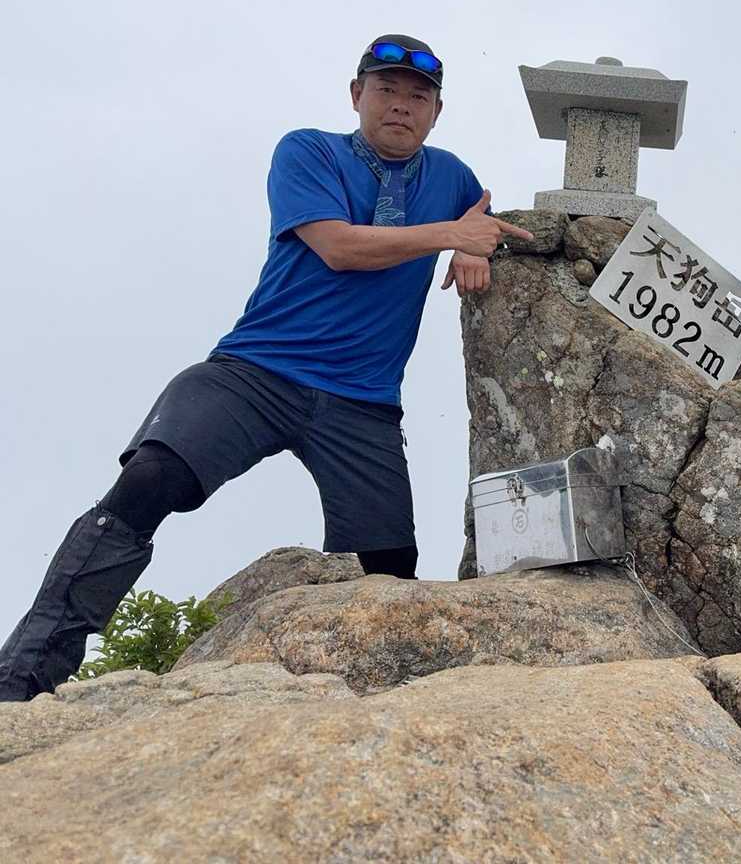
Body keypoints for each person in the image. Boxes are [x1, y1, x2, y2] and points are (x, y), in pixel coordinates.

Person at [0, 35, 533, 702]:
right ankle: (20, 683)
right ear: (356, 95)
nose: (401, 105)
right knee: (149, 480)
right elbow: (338, 247)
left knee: (390, 567)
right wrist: (451, 237)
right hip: (255, 373)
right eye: (386, 89)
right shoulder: (308, 151)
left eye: (417, 96)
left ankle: (370, 711)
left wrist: (474, 248)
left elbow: (482, 221)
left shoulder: (451, 176)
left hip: (362, 403)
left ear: (436, 112)